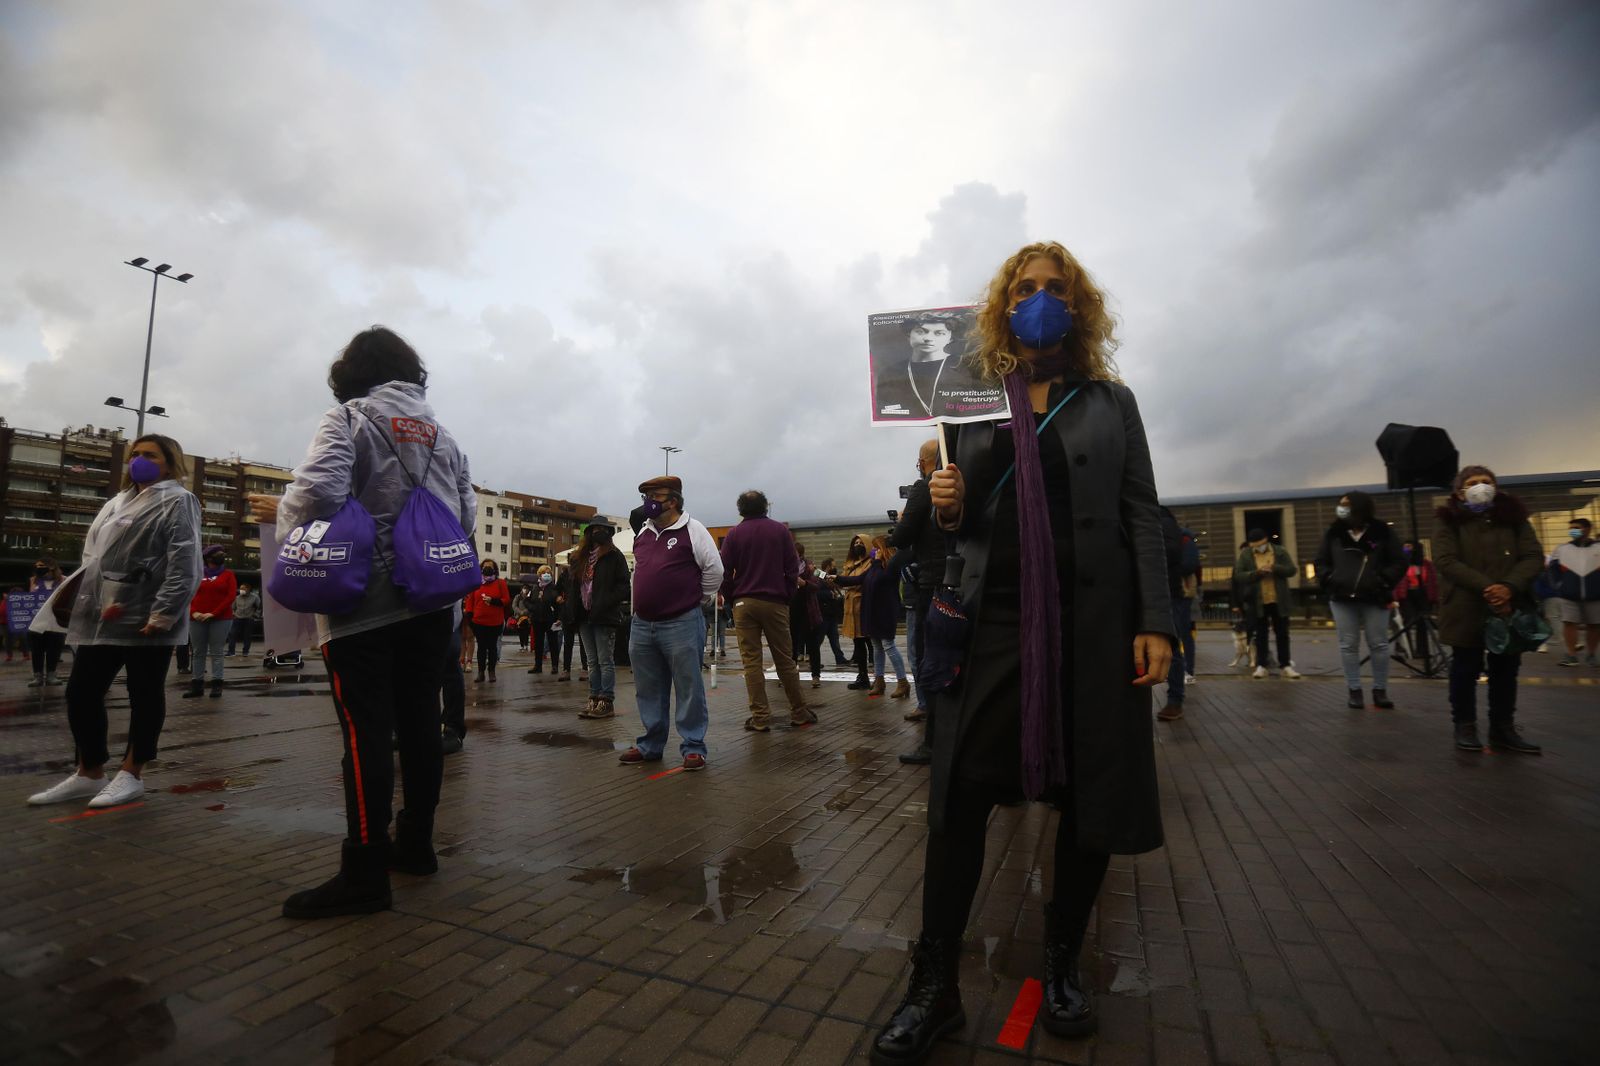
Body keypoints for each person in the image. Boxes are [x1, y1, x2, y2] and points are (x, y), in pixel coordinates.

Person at [872, 241, 1173, 1063]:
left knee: (1090, 799)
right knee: (957, 800)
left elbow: (1141, 512)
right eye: (1026, 289)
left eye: (1056, 289)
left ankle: (1063, 961)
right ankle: (933, 987)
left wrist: (1158, 619)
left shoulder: (1111, 400)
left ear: (1078, 306)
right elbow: (960, 528)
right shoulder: (970, 401)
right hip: (993, 623)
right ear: (1003, 306)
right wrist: (945, 503)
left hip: (1099, 625)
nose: (1040, 300)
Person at [248, 326, 474, 918]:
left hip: (363, 602)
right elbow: (466, 513)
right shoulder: (442, 435)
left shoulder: (347, 418)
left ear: (351, 371)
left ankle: (365, 870)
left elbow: (319, 492)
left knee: (364, 731)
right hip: (431, 602)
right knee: (422, 721)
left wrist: (283, 512)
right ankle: (416, 843)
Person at [27, 434, 201, 809]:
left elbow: (184, 561)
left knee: (144, 694)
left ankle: (132, 773)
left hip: (148, 617)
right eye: (134, 455)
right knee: (82, 691)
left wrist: (164, 612)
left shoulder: (178, 500)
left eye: (149, 456)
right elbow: (95, 560)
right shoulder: (116, 503)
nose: (138, 461)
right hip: (103, 616)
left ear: (169, 463)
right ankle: (90, 771)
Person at [1433, 465, 1543, 754]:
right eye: (1473, 482)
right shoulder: (1448, 522)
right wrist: (1488, 587)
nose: (1480, 486)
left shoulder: (1515, 519)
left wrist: (1508, 586)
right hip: (1465, 606)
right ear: (1460, 490)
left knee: (1506, 670)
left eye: (1486, 481)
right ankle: (1465, 725)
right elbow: (1445, 561)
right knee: (1464, 668)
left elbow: (1533, 556)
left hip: (1509, 604)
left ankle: (1503, 728)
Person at [619, 476, 723, 770]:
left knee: (688, 686)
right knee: (648, 688)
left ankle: (693, 746)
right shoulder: (644, 533)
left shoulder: (693, 530)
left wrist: (695, 599)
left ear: (673, 500)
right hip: (642, 623)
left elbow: (715, 571)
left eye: (655, 495)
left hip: (681, 622)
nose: (648, 502)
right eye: (645, 496)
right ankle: (650, 744)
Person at [719, 489, 815, 732]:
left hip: (744, 602)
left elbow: (725, 571)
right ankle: (799, 711)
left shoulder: (734, 534)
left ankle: (760, 717)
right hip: (774, 601)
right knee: (784, 659)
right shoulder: (780, 531)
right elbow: (792, 568)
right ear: (765, 507)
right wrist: (786, 594)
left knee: (751, 662)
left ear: (740, 509)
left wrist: (732, 598)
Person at [1313, 491, 1405, 709]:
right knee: (1348, 645)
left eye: (1346, 504)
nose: (1342, 508)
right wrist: (1328, 578)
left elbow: (1399, 561)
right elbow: (1321, 560)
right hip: (1342, 597)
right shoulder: (1334, 532)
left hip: (1375, 596)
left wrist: (1383, 580)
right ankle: (1354, 690)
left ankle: (1380, 690)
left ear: (1360, 507)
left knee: (1379, 644)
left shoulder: (1382, 532)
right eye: (1340, 504)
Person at [891, 439, 947, 762]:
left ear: (924, 462)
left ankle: (933, 743)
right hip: (961, 579)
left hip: (932, 583)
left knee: (930, 661)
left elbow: (903, 536)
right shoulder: (960, 480)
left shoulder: (924, 486)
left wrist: (900, 522)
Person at [831, 534, 910, 699]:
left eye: (876, 548)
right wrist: (837, 578)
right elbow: (858, 579)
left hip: (885, 612)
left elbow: (882, 578)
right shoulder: (875, 566)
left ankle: (903, 682)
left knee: (888, 645)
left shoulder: (890, 566)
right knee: (876, 647)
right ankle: (879, 682)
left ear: (883, 550)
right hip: (871, 612)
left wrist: (875, 562)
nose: (874, 551)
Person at [570, 521, 629, 718]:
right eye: (594, 530)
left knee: (605, 660)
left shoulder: (615, 556)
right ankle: (593, 697)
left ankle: (606, 700)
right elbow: (574, 587)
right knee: (591, 661)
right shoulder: (580, 558)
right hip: (584, 615)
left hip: (604, 615)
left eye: (602, 530)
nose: (598, 533)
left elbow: (624, 587)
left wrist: (605, 601)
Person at [1234, 530, 1302, 679]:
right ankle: (1261, 665)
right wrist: (1257, 573)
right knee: (1261, 635)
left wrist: (1275, 568)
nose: (1258, 548)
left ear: (1266, 540)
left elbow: (1292, 570)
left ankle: (1285, 665)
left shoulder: (1280, 551)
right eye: (1255, 547)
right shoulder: (1246, 555)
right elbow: (1239, 575)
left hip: (1278, 599)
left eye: (1260, 545)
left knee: (1282, 633)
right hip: (1258, 601)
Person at [183, 545, 237, 699]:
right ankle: (197, 686)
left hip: (221, 619)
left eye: (222, 554)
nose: (221, 557)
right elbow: (189, 593)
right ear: (207, 558)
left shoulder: (228, 575)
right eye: (217, 554)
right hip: (197, 617)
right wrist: (194, 611)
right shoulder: (197, 574)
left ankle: (216, 686)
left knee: (217, 652)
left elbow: (230, 596)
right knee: (198, 652)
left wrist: (213, 613)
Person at [1157, 507, 1194, 722]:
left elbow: (1173, 554)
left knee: (1172, 647)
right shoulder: (1165, 521)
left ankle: (1175, 700)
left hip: (1168, 592)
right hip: (1167, 592)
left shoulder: (1162, 521)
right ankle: (1174, 700)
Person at [1549, 517, 1600, 666]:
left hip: (1595, 595)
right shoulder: (1562, 549)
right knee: (1569, 623)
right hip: (1569, 595)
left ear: (1588, 529)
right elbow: (1552, 571)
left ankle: (1591, 654)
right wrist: (1559, 587)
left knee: (1595, 625)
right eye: (1571, 528)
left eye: (1577, 527)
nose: (1573, 530)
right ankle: (1571, 655)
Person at [465, 559, 512, 682]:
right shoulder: (476, 583)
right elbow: (470, 602)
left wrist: (493, 601)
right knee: (481, 648)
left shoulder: (501, 583)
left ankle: (491, 672)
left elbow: (506, 600)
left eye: (490, 567)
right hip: (479, 622)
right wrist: (470, 619)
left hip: (495, 622)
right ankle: (481, 673)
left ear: (495, 569)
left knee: (492, 648)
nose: (487, 568)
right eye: (485, 566)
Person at [1391, 540, 1439, 659]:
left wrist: (1433, 597)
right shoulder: (1402, 563)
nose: (1407, 550)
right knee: (1408, 621)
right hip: (1406, 596)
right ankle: (1406, 649)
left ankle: (1422, 650)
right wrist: (1395, 597)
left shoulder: (1426, 564)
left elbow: (1432, 581)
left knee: (1423, 623)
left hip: (1422, 595)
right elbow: (1396, 580)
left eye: (1409, 547)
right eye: (1405, 548)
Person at [839, 534, 875, 689]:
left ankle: (867, 677)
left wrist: (837, 579)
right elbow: (845, 582)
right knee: (858, 643)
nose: (857, 545)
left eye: (861, 543)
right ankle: (862, 676)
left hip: (862, 607)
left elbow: (857, 580)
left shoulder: (870, 563)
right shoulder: (850, 563)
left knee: (867, 643)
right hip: (850, 608)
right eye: (855, 543)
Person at [789, 539, 825, 689]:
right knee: (792, 646)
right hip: (791, 610)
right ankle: (789, 675)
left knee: (813, 646)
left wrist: (805, 583)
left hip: (808, 612)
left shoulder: (811, 566)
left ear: (800, 554)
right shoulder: (786, 568)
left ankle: (815, 675)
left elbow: (820, 581)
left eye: (793, 553)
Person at [26, 557, 67, 687]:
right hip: (37, 623)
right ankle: (37, 676)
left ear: (51, 567)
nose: (38, 569)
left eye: (41, 566)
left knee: (53, 650)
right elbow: (30, 600)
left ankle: (51, 674)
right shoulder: (34, 580)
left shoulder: (64, 580)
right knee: (36, 650)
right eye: (37, 567)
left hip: (55, 623)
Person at [527, 566, 559, 674]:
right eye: (544, 572)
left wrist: (558, 617)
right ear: (539, 575)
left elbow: (559, 604)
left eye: (548, 572)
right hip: (537, 619)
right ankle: (538, 666)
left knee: (553, 643)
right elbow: (527, 601)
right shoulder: (535, 587)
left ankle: (555, 666)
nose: (546, 574)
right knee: (538, 643)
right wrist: (533, 608)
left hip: (551, 620)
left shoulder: (554, 588)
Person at [816, 557, 847, 666]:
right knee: (819, 639)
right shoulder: (819, 577)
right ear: (828, 567)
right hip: (824, 613)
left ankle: (840, 658)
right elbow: (816, 592)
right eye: (833, 566)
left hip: (831, 613)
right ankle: (814, 661)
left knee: (834, 638)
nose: (834, 568)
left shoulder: (828, 578)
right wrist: (830, 594)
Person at [226, 581, 260, 657]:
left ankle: (245, 652)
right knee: (232, 634)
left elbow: (259, 607)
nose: (241, 590)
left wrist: (255, 615)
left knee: (247, 636)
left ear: (248, 589)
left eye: (243, 588)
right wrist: (233, 614)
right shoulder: (237, 598)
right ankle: (231, 652)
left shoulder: (255, 597)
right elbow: (232, 607)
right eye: (240, 588)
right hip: (237, 618)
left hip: (249, 619)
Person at [511, 584, 533, 650]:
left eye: (526, 589)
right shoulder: (518, 596)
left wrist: (525, 611)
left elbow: (531, 606)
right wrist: (520, 612)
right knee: (520, 631)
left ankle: (526, 645)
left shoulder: (530, 597)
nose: (525, 590)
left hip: (527, 617)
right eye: (524, 588)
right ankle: (522, 645)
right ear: (521, 589)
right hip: (519, 617)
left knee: (526, 631)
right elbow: (514, 606)